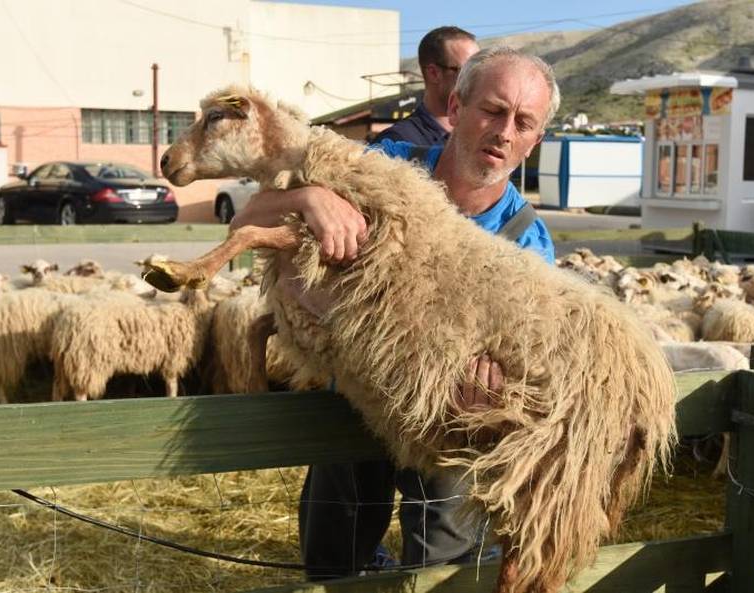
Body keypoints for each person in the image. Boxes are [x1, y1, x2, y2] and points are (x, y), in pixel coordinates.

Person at [230, 46, 560, 579]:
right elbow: (247, 217)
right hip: (350, 405)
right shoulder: (381, 171)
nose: (504, 131)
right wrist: (310, 198)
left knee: (442, 570)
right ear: (456, 106)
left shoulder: (529, 246)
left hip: (445, 426)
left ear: (535, 139)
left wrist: (497, 392)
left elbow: (529, 366)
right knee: (331, 560)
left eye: (523, 122)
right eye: (493, 110)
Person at [374, 26, 479, 146]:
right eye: (468, 70)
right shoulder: (397, 144)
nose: (478, 79)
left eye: (480, 69)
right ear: (433, 73)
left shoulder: (479, 138)